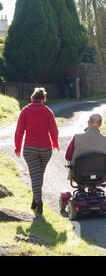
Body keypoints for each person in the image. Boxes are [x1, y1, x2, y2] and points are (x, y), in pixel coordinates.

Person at [15, 87, 59, 215]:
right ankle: (36, 202)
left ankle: (38, 203)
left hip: (29, 149)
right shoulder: (48, 111)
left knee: (35, 176)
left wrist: (17, 147)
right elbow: (53, 130)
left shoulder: (25, 111)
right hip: (46, 149)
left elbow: (19, 131)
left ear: (32, 98)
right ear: (43, 99)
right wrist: (55, 143)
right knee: (39, 176)